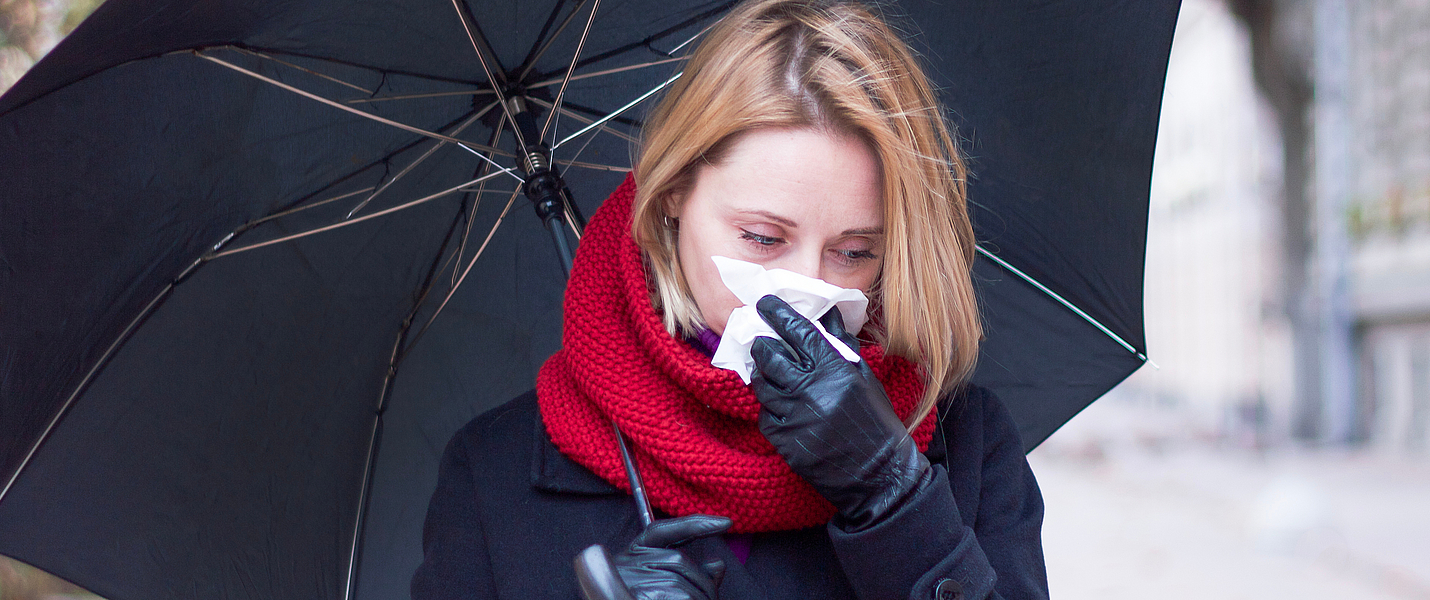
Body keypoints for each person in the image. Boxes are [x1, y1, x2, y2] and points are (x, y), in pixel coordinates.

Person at [410, 1, 1048, 598]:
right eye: (763, 238)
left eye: (855, 253)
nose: (807, 289)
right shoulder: (496, 470)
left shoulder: (963, 444)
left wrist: (891, 493)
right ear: (672, 200)